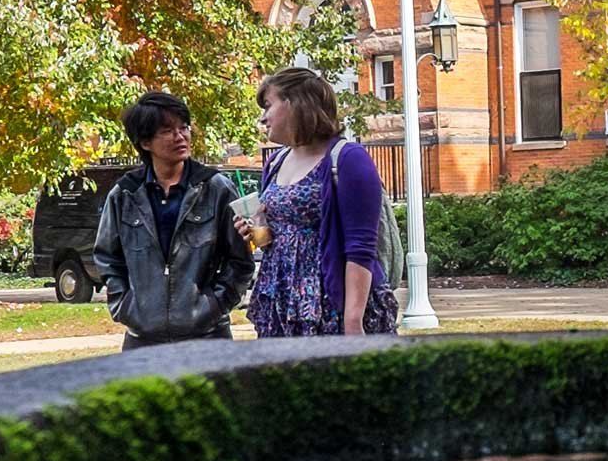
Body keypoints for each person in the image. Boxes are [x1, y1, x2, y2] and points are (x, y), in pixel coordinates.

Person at [238, 67, 398, 337]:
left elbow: (360, 248)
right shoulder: (275, 162)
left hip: (331, 305)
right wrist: (255, 230)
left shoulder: (347, 158)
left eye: (268, 106)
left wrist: (353, 323)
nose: (263, 117)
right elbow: (270, 244)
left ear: (295, 104)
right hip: (283, 302)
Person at [92, 91, 254, 351]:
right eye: (168, 131)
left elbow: (241, 260)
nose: (181, 137)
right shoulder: (124, 195)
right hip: (142, 340)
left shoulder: (215, 189)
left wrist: (215, 304)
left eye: (184, 127)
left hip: (208, 338)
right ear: (145, 142)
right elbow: (107, 257)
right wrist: (125, 304)